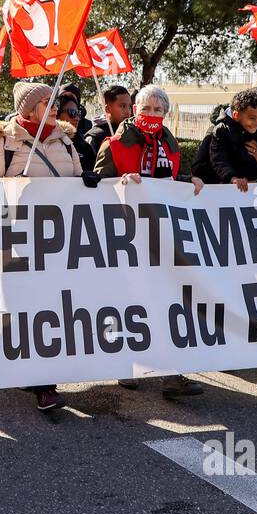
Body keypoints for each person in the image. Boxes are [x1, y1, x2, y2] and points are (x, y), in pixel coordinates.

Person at [0, 81, 88, 412]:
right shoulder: (5, 138)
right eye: (46, 102)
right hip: (18, 237)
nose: (54, 106)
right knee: (26, 306)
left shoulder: (65, 137)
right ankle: (42, 383)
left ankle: (41, 374)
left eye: (55, 101)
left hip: (60, 237)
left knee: (54, 304)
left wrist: (89, 182)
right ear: (28, 107)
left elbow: (79, 177)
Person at [95, 84, 207, 399]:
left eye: (159, 110)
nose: (152, 115)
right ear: (135, 110)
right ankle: (125, 364)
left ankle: (172, 374)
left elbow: (167, 183)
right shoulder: (114, 143)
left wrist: (188, 181)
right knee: (128, 303)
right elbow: (93, 188)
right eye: (146, 109)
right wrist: (117, 182)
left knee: (167, 302)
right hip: (123, 237)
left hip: (160, 235)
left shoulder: (170, 144)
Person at [192, 89, 257, 191]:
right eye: (252, 118)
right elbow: (219, 159)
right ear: (236, 115)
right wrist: (233, 178)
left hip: (252, 189)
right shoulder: (220, 130)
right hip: (224, 190)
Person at [84, 84, 133, 171]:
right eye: (122, 106)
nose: (127, 111)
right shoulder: (94, 137)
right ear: (107, 109)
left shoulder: (133, 133)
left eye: (129, 106)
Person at [57, 91, 95, 172]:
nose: (77, 118)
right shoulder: (46, 143)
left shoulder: (86, 147)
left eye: (78, 113)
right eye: (72, 112)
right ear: (57, 113)